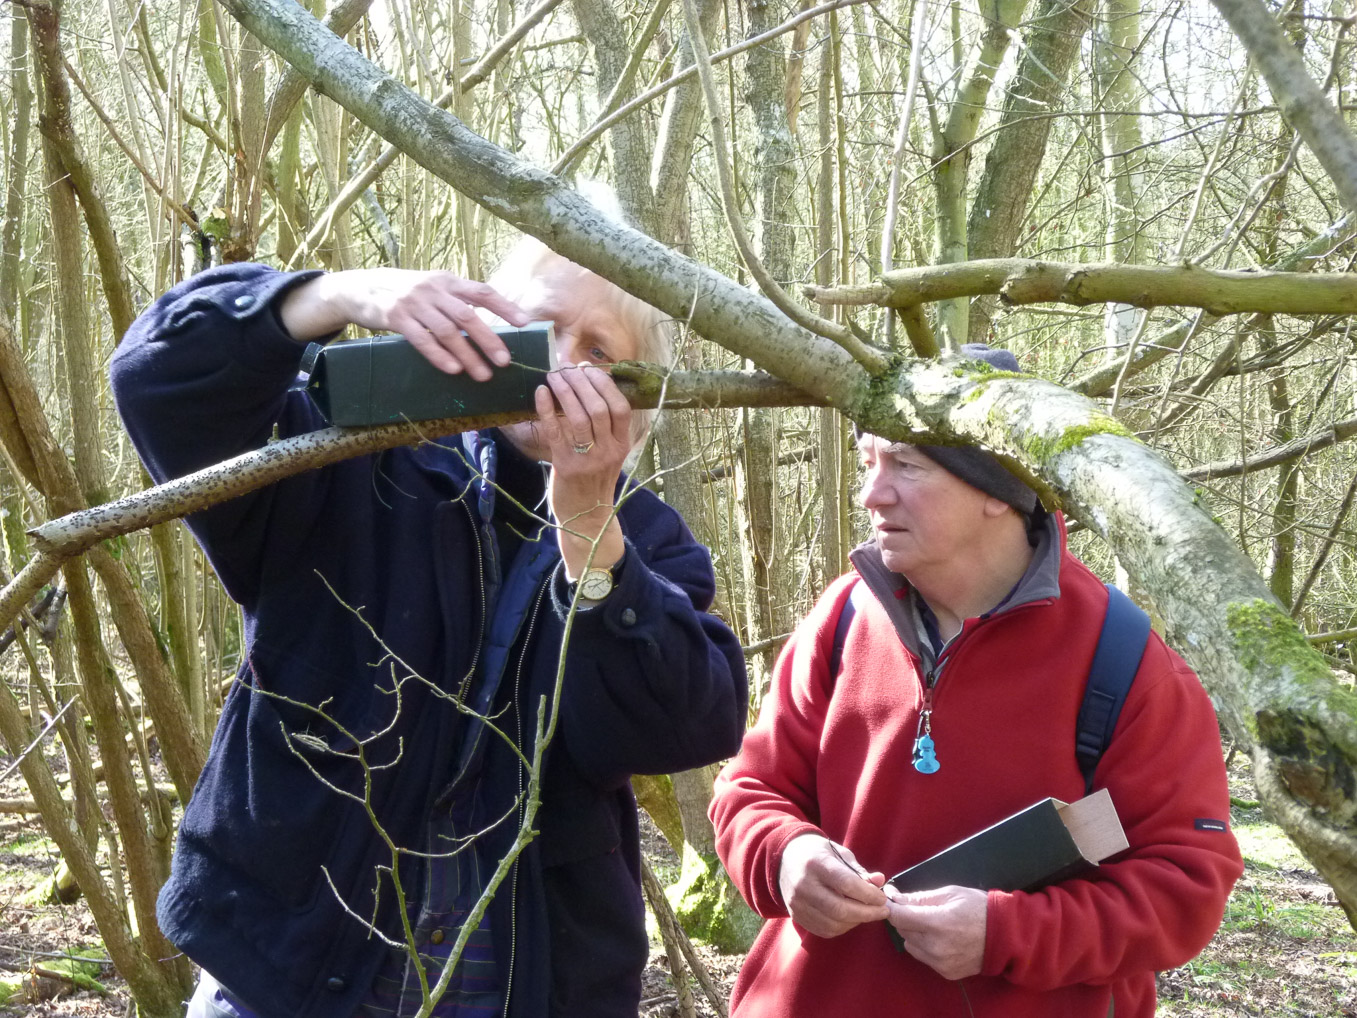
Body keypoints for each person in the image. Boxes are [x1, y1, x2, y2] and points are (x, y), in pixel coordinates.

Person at [110, 219, 748, 1018]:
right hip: (283, 970)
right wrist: (338, 293)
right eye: (542, 327)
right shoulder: (348, 458)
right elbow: (158, 378)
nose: (560, 363)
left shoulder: (646, 540)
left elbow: (690, 724)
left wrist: (589, 528)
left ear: (634, 392)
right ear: (480, 324)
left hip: (523, 986)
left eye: (596, 349)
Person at [709, 345, 1243, 1018]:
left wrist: (1006, 934)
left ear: (996, 488)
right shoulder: (843, 615)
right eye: (869, 462)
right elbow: (748, 792)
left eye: (905, 465)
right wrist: (787, 856)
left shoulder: (1123, 657)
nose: (872, 493)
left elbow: (1184, 888)